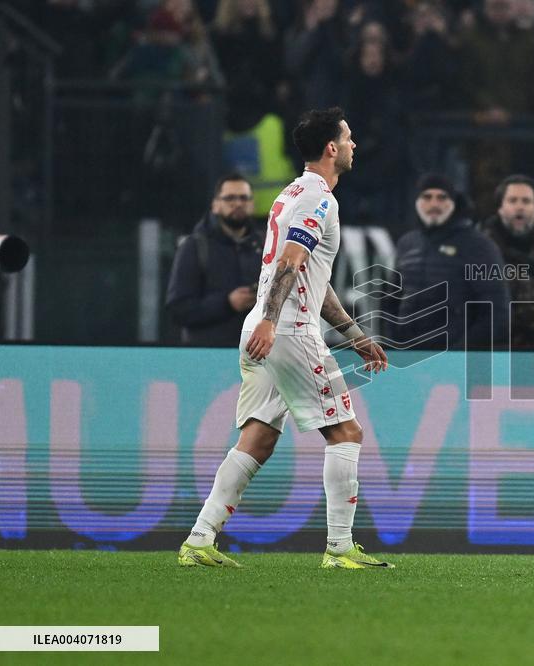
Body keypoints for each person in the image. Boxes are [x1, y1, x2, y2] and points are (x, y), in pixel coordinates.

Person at [178, 107, 393, 570]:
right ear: (332, 148)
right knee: (346, 431)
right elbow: (291, 261)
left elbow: (313, 278)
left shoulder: (290, 193)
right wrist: (273, 323)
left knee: (257, 438)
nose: (353, 145)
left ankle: (199, 539)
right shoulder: (319, 199)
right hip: (287, 330)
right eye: (348, 138)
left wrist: (354, 335)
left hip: (263, 325)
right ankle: (339, 548)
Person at [390, 174, 510, 350]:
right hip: (408, 355)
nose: (434, 204)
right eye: (427, 197)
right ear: (417, 202)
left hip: (454, 357)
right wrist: (394, 341)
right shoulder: (407, 243)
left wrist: (459, 352)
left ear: (454, 203)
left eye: (442, 197)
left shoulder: (479, 246)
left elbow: (497, 311)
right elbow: (391, 300)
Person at [165, 173, 265, 346]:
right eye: (230, 198)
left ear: (252, 204)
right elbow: (178, 310)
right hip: (206, 355)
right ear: (215, 205)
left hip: (256, 354)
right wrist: (227, 303)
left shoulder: (265, 246)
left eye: (244, 198)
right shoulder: (194, 246)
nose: (238, 203)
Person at [479, 175, 534, 349]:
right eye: (512, 200)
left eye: (526, 201)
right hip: (487, 351)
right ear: (500, 208)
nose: (520, 207)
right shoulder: (479, 247)